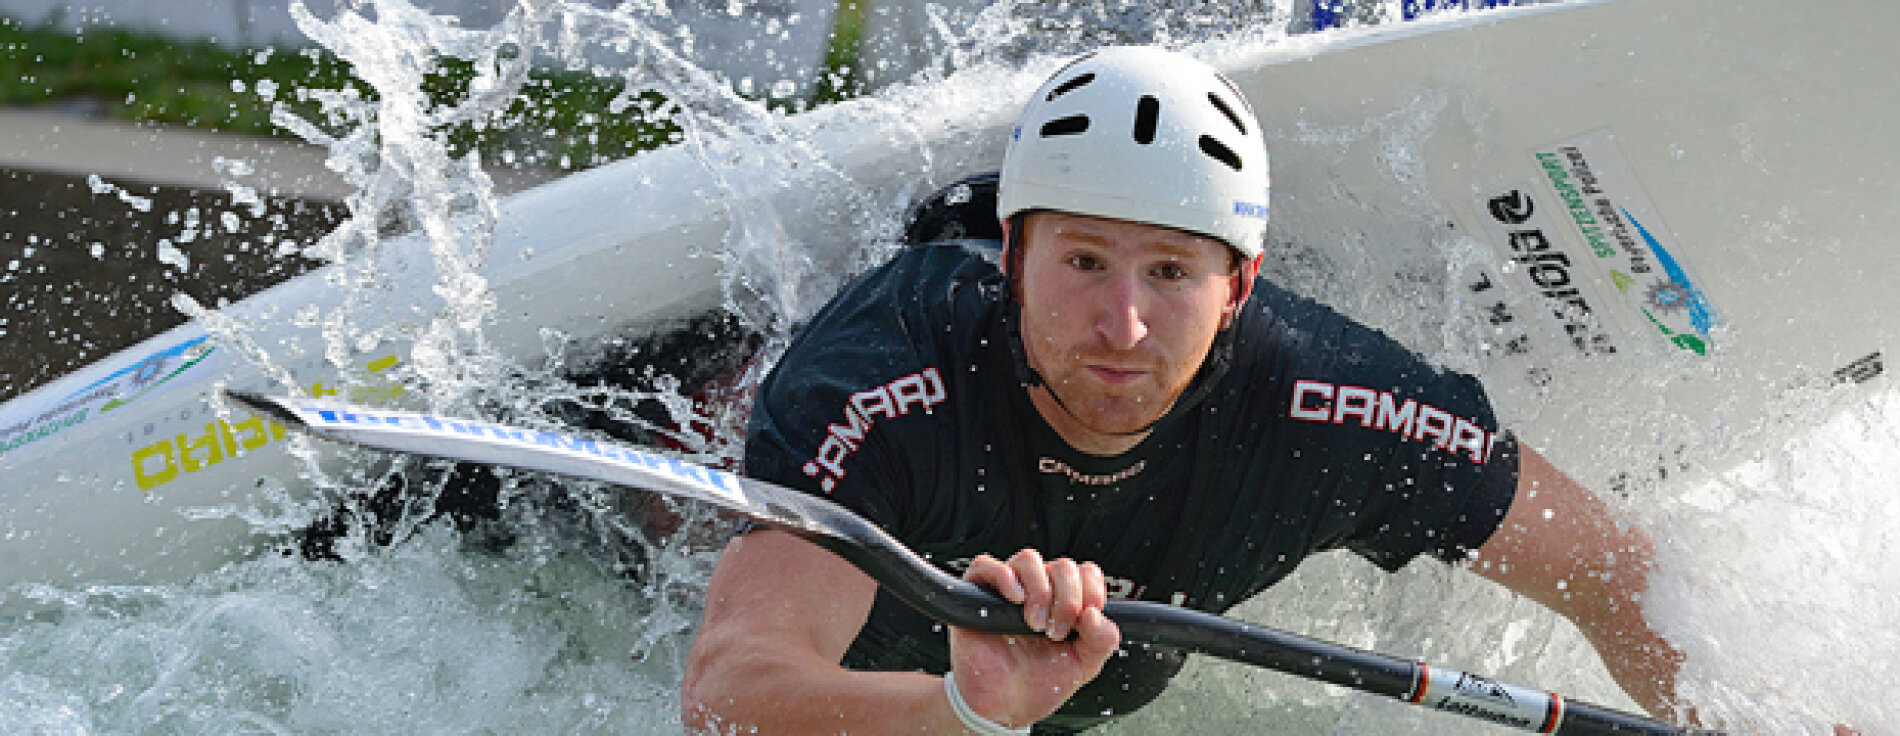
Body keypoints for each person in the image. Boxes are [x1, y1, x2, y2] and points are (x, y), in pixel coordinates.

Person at [680, 46, 1685, 734]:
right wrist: (965, 711)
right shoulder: (895, 370)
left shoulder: (1328, 401)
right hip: (858, 690)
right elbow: (723, 690)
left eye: (1169, 273)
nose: (1122, 325)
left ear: (1238, 286)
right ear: (1012, 253)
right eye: (1081, 262)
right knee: (679, 495)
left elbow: (1611, 569)